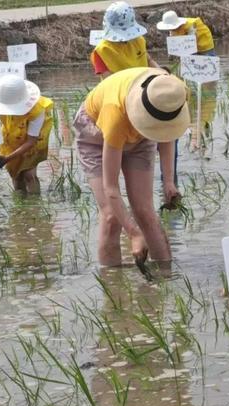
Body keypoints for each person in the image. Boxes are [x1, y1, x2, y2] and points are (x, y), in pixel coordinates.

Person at [73, 67, 189, 266]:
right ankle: (113, 286)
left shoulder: (172, 93)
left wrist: (169, 182)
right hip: (96, 132)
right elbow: (111, 188)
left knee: (145, 211)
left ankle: (166, 279)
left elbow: (166, 132)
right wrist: (134, 234)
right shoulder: (115, 114)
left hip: (141, 136)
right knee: (111, 216)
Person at [0, 75, 54, 193]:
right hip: (10, 135)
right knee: (15, 174)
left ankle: (34, 206)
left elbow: (31, 141)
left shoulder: (37, 110)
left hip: (34, 139)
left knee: (29, 174)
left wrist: (6, 158)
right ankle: (20, 205)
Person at [91, 1, 158, 78]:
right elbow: (109, 81)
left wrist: (163, 74)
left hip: (144, 84)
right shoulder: (101, 51)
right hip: (120, 88)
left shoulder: (138, 40)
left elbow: (149, 61)